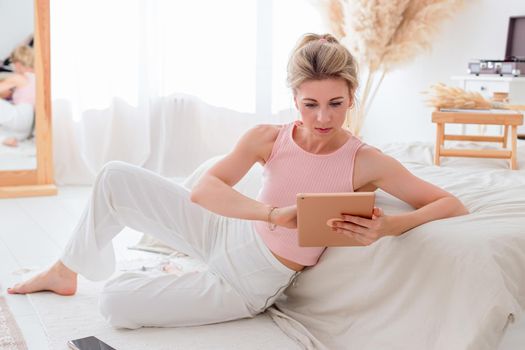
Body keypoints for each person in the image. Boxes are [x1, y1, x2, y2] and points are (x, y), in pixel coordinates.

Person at [7, 33, 469, 329]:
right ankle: (65, 270)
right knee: (113, 177)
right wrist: (270, 214)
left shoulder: (367, 160)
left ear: (351, 97)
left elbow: (450, 204)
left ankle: (181, 278)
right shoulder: (268, 137)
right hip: (227, 230)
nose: (323, 117)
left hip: (251, 279)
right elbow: (206, 190)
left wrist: (390, 226)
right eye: (310, 104)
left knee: (114, 303)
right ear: (294, 97)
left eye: (336, 103)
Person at [0, 45, 36, 147]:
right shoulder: (36, 76)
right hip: (26, 128)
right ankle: (5, 140)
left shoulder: (19, 78)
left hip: (21, 116)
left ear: (18, 63)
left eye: (13, 63)